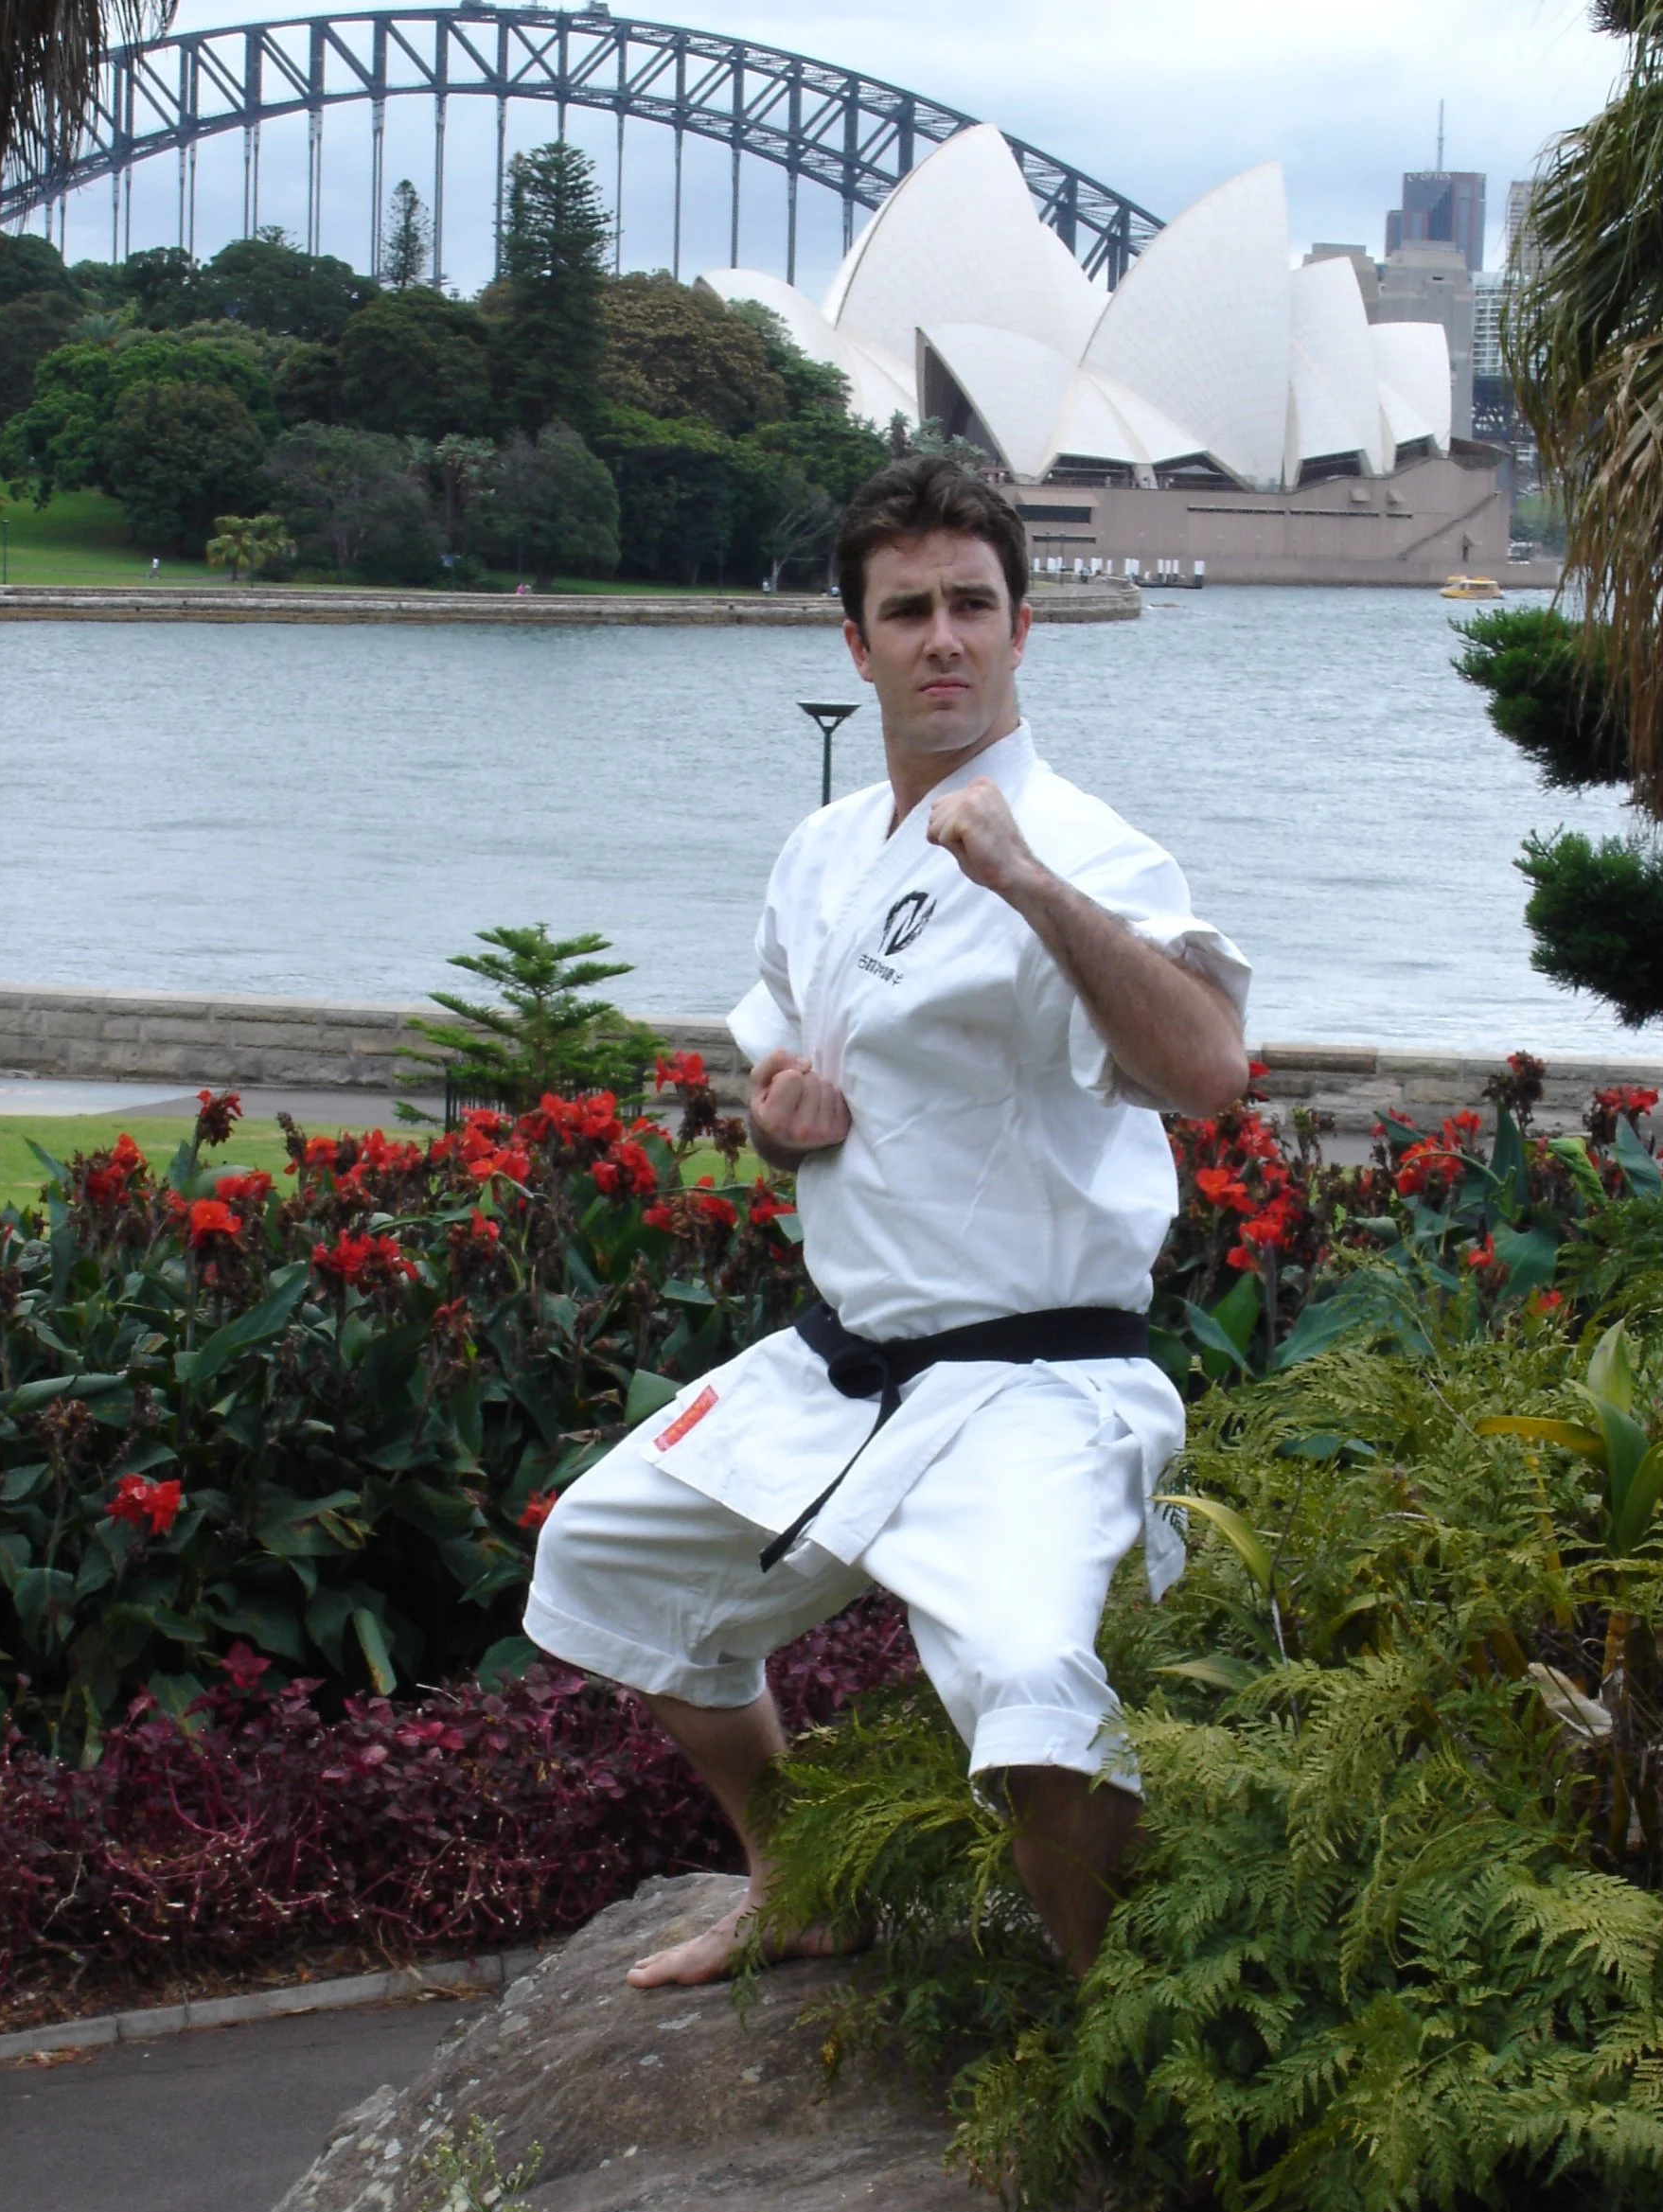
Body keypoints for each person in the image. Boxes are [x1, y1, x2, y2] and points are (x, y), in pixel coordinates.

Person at [526, 455, 1249, 1988]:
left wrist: (1025, 880)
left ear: (1023, 629)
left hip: (1038, 1384)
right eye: (907, 611)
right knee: (607, 1558)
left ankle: (1114, 2028)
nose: (944, 640)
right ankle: (799, 1879)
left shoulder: (1091, 852)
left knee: (1035, 1694)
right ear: (855, 645)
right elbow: (787, 1068)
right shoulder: (824, 852)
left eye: (971, 606)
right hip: (846, 1366)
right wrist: (778, 1117)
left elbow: (1207, 1071)